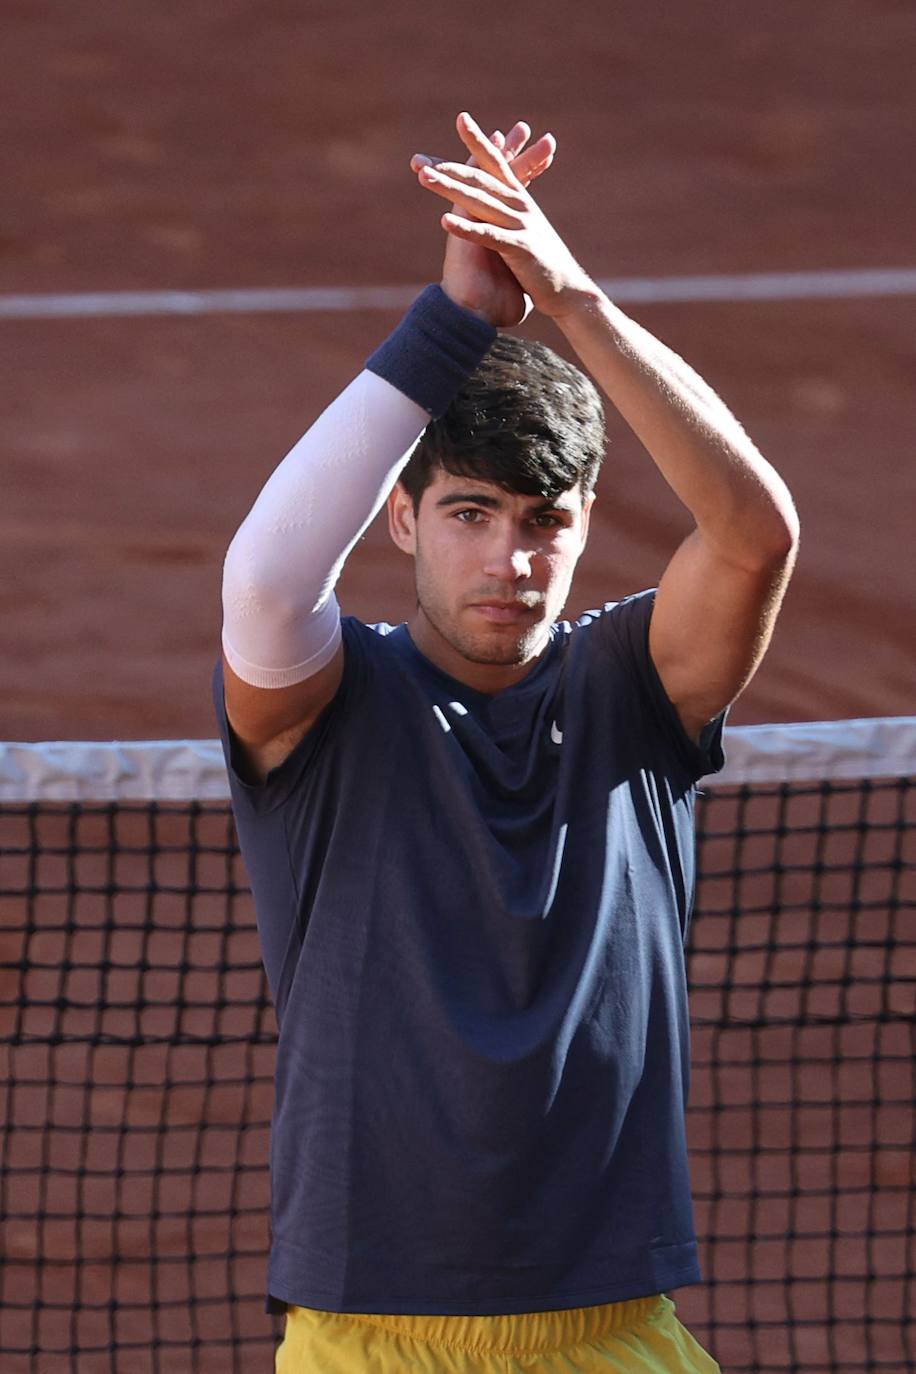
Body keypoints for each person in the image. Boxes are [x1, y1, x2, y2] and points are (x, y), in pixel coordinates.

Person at [214, 112, 798, 1373]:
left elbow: (754, 536)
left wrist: (569, 293)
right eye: (470, 513)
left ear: (587, 527)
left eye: (546, 521)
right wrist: (453, 322)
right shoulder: (325, 700)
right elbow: (264, 582)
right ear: (402, 523)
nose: (512, 560)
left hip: (614, 1333)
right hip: (366, 1338)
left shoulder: (635, 690)